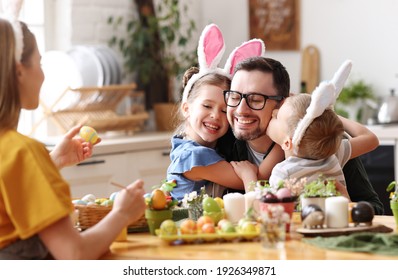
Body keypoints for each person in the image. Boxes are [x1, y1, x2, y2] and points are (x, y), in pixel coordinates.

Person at [0, 14, 145, 259]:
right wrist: (122, 214)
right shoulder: (22, 150)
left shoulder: (12, 150)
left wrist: (51, 161)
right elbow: (74, 254)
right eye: (40, 63)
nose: (44, 75)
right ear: (19, 71)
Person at [219, 56, 385, 214]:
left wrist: (347, 206)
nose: (241, 110)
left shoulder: (326, 143)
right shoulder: (221, 141)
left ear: (284, 102)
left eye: (255, 100)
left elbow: (375, 209)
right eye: (234, 97)